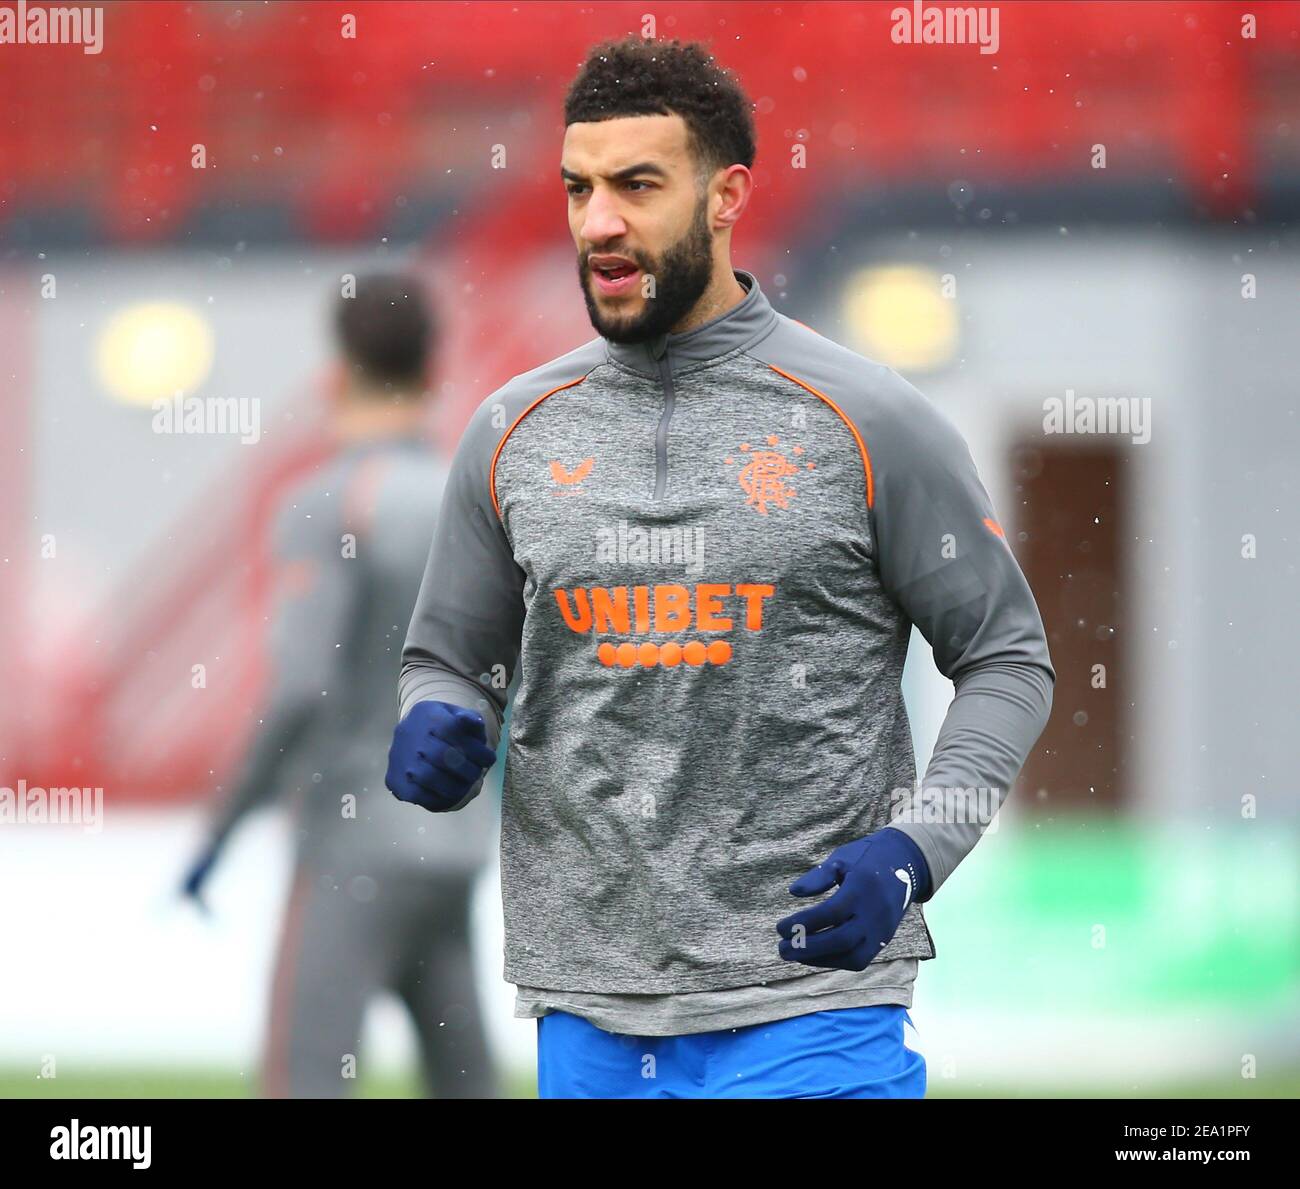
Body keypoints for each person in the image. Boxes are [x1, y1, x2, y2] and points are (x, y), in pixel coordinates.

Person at [386, 36, 1054, 1099]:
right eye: (578, 189)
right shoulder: (509, 431)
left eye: (637, 186)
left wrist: (916, 849)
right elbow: (442, 660)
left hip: (811, 1001)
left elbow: (1007, 658)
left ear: (726, 193)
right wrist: (434, 713)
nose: (598, 222)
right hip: (588, 1011)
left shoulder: (871, 418)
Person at [182, 273, 498, 1099]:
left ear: (335, 374)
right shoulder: (477, 506)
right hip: (456, 848)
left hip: (351, 847)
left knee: (306, 1079)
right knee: (465, 1083)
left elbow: (301, 689)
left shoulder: (329, 505)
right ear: (435, 374)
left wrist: (220, 831)